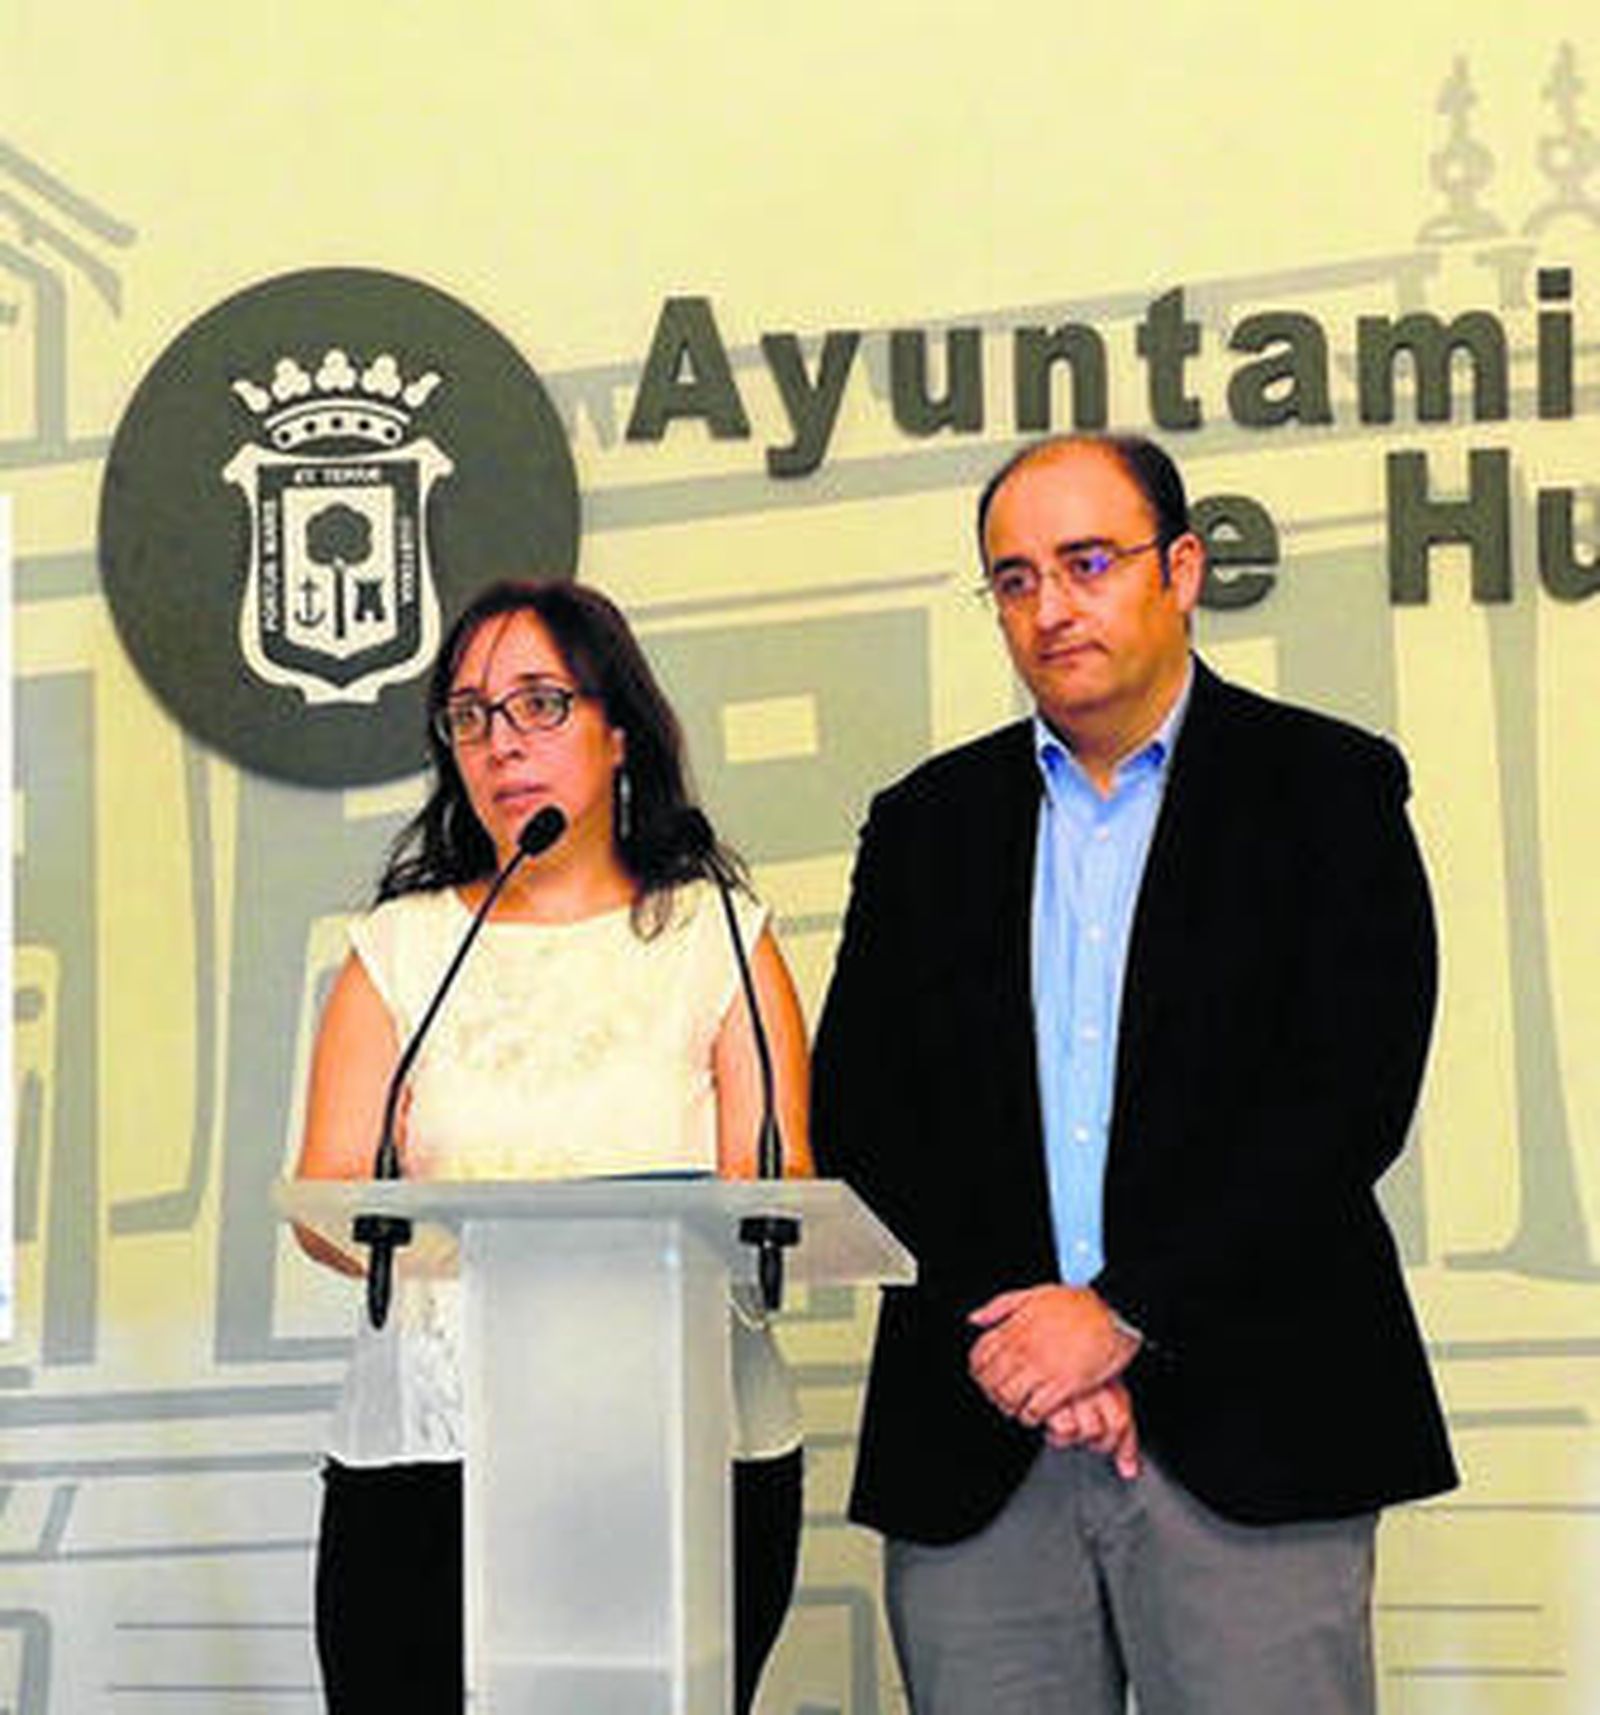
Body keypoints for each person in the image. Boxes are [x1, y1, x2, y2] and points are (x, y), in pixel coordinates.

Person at [812, 434, 1457, 1715]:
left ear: (1182, 570)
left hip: (1255, 1424)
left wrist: (1120, 1315)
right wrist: (1035, 1339)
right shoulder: (925, 825)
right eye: (1014, 579)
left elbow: (1345, 1102)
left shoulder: (1326, 789)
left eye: (1087, 562)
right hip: (983, 1427)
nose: (1051, 605)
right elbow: (862, 1114)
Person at [294, 579, 813, 1715]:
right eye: (470, 715)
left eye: (540, 703)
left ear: (619, 730)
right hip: (433, 1454)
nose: (503, 742)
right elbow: (329, 1200)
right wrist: (500, 1255)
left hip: (677, 1452)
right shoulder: (403, 947)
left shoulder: (719, 934)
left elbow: (771, 1196)